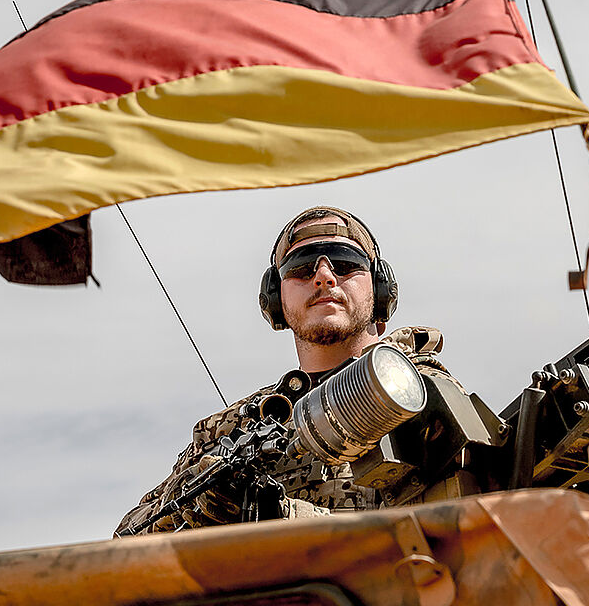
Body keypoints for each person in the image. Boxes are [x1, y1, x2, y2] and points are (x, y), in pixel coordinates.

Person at [116, 206, 451, 534]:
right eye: (301, 269)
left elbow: (455, 526)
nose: (323, 277)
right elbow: (128, 541)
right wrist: (203, 502)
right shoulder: (231, 428)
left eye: (346, 264)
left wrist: (279, 515)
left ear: (379, 288)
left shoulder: (414, 391)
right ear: (275, 298)